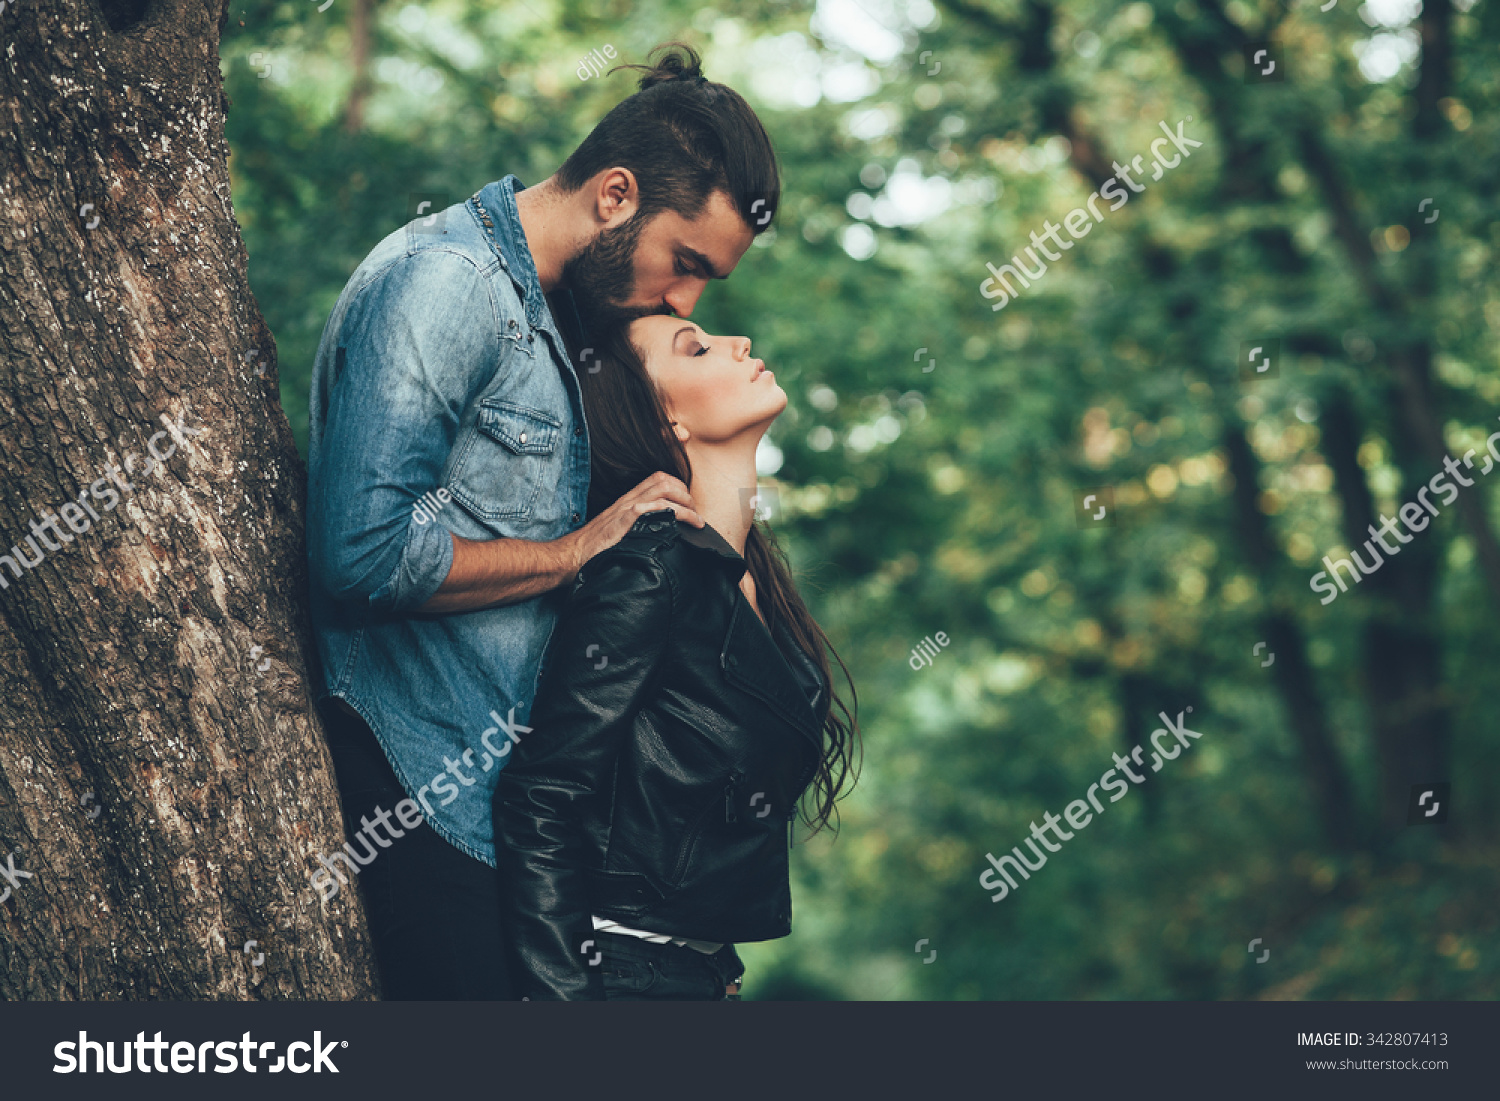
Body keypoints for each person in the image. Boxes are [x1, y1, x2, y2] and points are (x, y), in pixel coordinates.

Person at [305, 44, 780, 999]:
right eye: (685, 264)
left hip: (502, 828)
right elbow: (356, 557)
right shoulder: (448, 285)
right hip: (424, 801)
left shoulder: (556, 316)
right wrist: (573, 552)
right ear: (614, 197)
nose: (686, 299)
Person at [492, 315, 860, 1000]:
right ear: (665, 421)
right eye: (696, 347)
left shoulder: (745, 582)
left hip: (697, 977)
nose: (741, 342)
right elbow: (539, 795)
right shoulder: (648, 571)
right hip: (622, 977)